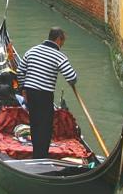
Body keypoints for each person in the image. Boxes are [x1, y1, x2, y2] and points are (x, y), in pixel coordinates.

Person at [16, 27, 78, 159]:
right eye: (63, 41)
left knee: (35, 122)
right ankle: (41, 156)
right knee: (45, 125)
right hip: (44, 94)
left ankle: (37, 153)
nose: (62, 45)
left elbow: (20, 71)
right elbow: (72, 77)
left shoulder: (32, 51)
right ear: (58, 39)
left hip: (30, 92)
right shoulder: (59, 56)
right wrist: (71, 81)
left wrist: (24, 90)